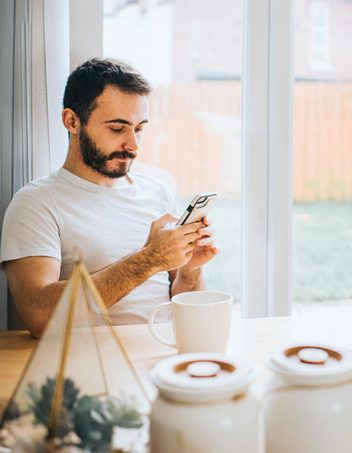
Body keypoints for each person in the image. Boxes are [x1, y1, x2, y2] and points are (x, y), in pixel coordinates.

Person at [0, 58, 219, 338]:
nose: (133, 145)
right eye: (117, 128)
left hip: (164, 358)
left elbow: (187, 308)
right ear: (72, 121)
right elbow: (40, 317)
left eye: (139, 128)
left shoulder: (158, 193)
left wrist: (190, 270)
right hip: (94, 369)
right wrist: (149, 259)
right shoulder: (36, 203)